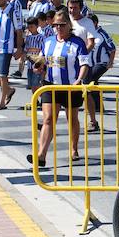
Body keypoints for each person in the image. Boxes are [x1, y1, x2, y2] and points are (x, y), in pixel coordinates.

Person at [26, 10, 90, 167]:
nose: (59, 28)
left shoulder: (78, 43)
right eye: (56, 25)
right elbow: (42, 61)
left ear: (69, 24)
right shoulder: (48, 41)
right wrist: (38, 67)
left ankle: (74, 148)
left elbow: (84, 64)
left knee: (72, 118)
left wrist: (79, 80)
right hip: (50, 85)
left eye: (62, 25)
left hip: (70, 86)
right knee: (48, 119)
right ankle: (41, 155)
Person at [85, 14, 116, 131]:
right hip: (90, 63)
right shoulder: (88, 34)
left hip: (102, 63)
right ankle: (98, 106)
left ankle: (95, 106)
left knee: (90, 80)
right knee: (93, 83)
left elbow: (112, 48)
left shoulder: (101, 34)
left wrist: (110, 62)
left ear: (95, 23)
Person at [23, 16, 45, 93]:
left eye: (32, 26)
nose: (30, 28)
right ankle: (35, 100)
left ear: (37, 26)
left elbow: (42, 49)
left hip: (37, 64)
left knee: (36, 83)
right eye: (28, 27)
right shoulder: (28, 37)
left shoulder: (41, 37)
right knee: (31, 83)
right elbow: (25, 49)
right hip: (29, 64)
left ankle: (42, 97)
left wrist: (31, 50)